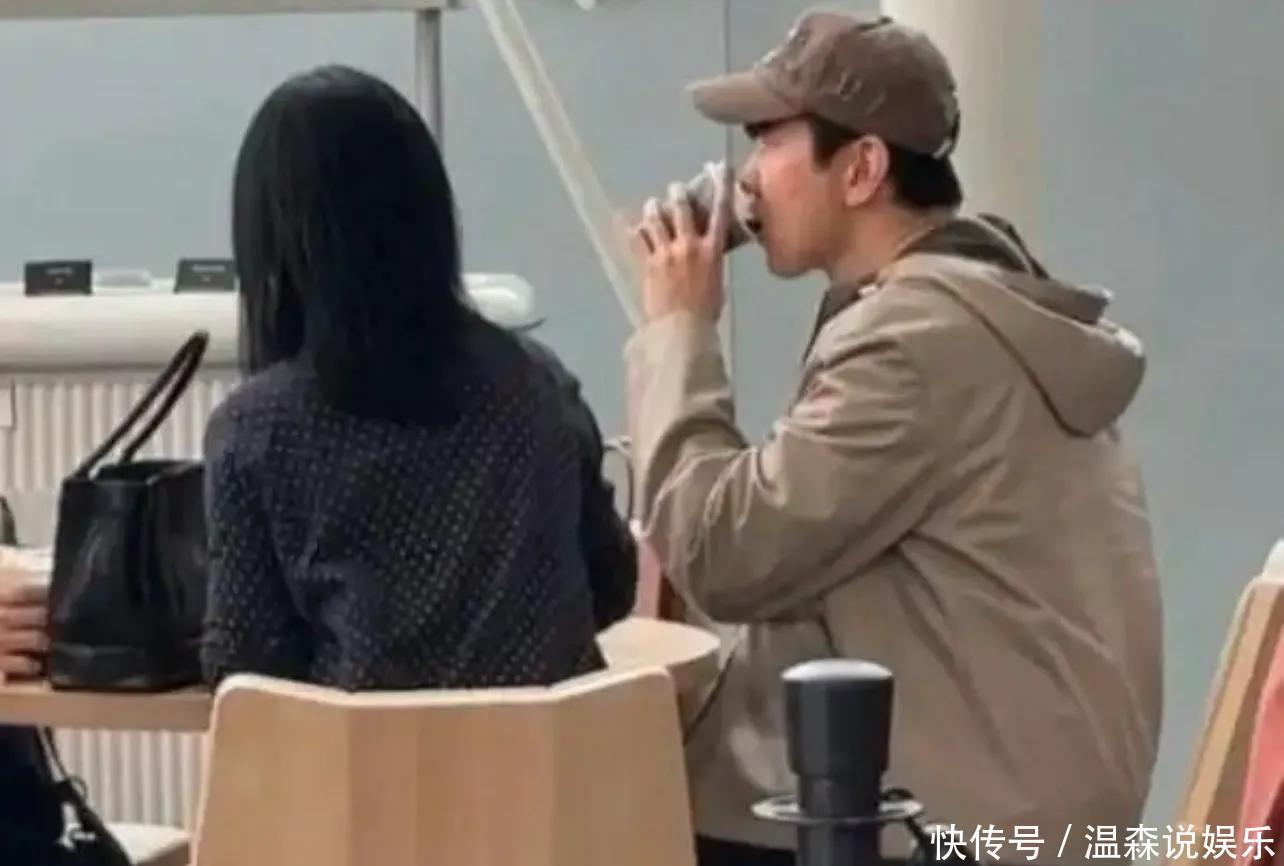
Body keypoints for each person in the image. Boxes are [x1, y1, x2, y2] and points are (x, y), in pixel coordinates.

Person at [625, 10, 1162, 866]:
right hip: (1025, 805)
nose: (747, 178)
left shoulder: (914, 342)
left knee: (624, 817)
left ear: (863, 168)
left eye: (770, 141)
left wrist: (679, 333)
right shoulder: (981, 304)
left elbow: (724, 556)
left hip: (953, 833)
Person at [202, 65, 636, 690]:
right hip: (550, 753)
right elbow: (611, 586)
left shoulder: (256, 433)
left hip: (357, 756)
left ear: (272, 241)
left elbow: (246, 670)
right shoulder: (541, 389)